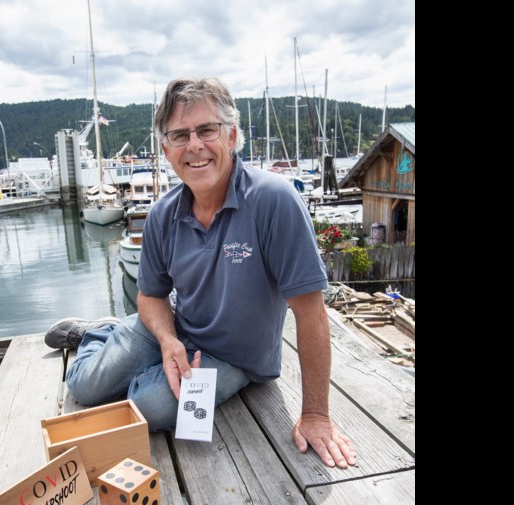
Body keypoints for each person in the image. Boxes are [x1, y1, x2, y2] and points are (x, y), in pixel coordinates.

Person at [45, 77, 356, 469]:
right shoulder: (161, 213)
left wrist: (316, 415)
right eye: (179, 135)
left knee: (147, 407)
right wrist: (167, 340)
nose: (194, 145)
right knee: (84, 386)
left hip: (234, 357)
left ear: (232, 135)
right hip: (175, 327)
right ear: (166, 149)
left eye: (206, 130)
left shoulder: (274, 200)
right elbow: (152, 295)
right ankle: (102, 332)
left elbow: (311, 311)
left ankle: (122, 340)